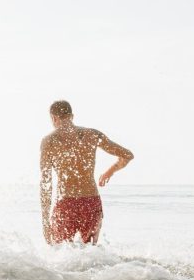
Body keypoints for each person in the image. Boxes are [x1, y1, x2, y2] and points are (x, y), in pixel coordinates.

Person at [40, 100, 134, 244]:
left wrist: (45, 221)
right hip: (91, 202)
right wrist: (110, 172)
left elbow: (46, 183)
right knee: (91, 255)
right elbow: (127, 155)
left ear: (54, 118)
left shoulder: (49, 141)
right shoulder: (93, 134)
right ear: (72, 116)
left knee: (60, 256)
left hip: (66, 203)